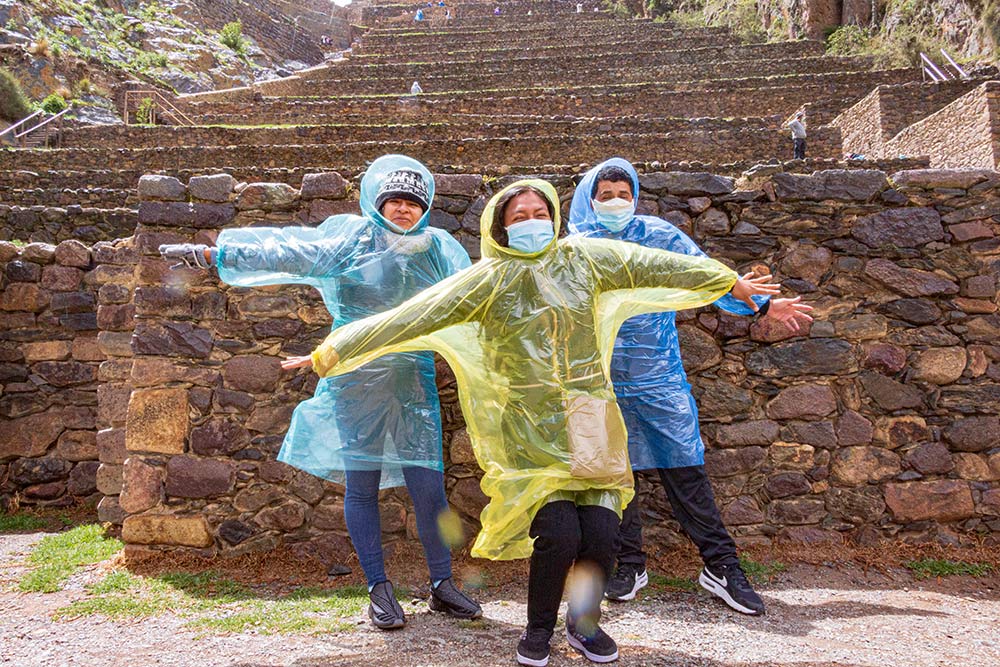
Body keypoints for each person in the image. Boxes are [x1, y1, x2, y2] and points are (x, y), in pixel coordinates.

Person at [280, 180, 780, 666]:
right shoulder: (486, 280)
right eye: (520, 216)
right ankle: (538, 630)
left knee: (603, 533)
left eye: (541, 214)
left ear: (555, 218)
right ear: (500, 226)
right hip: (527, 429)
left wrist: (725, 281)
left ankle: (585, 623)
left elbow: (654, 265)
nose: (533, 223)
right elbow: (411, 317)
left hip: (590, 420)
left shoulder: (584, 260)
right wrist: (333, 350)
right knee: (560, 532)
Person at [159, 155, 481, 630]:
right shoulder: (351, 241)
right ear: (376, 201)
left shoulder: (439, 250)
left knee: (429, 490)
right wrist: (215, 255)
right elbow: (288, 251)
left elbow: (475, 295)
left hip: (414, 381)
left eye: (413, 201)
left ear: (426, 206)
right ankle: (378, 588)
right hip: (354, 377)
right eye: (393, 199)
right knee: (363, 485)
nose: (403, 209)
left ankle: (442, 584)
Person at [568, 159, 814, 615]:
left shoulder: (659, 235)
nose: (617, 202)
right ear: (589, 198)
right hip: (597, 380)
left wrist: (760, 306)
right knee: (616, 476)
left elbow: (707, 275)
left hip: (658, 377)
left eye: (625, 193)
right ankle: (630, 564)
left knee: (685, 469)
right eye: (606, 194)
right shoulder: (574, 249)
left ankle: (721, 565)